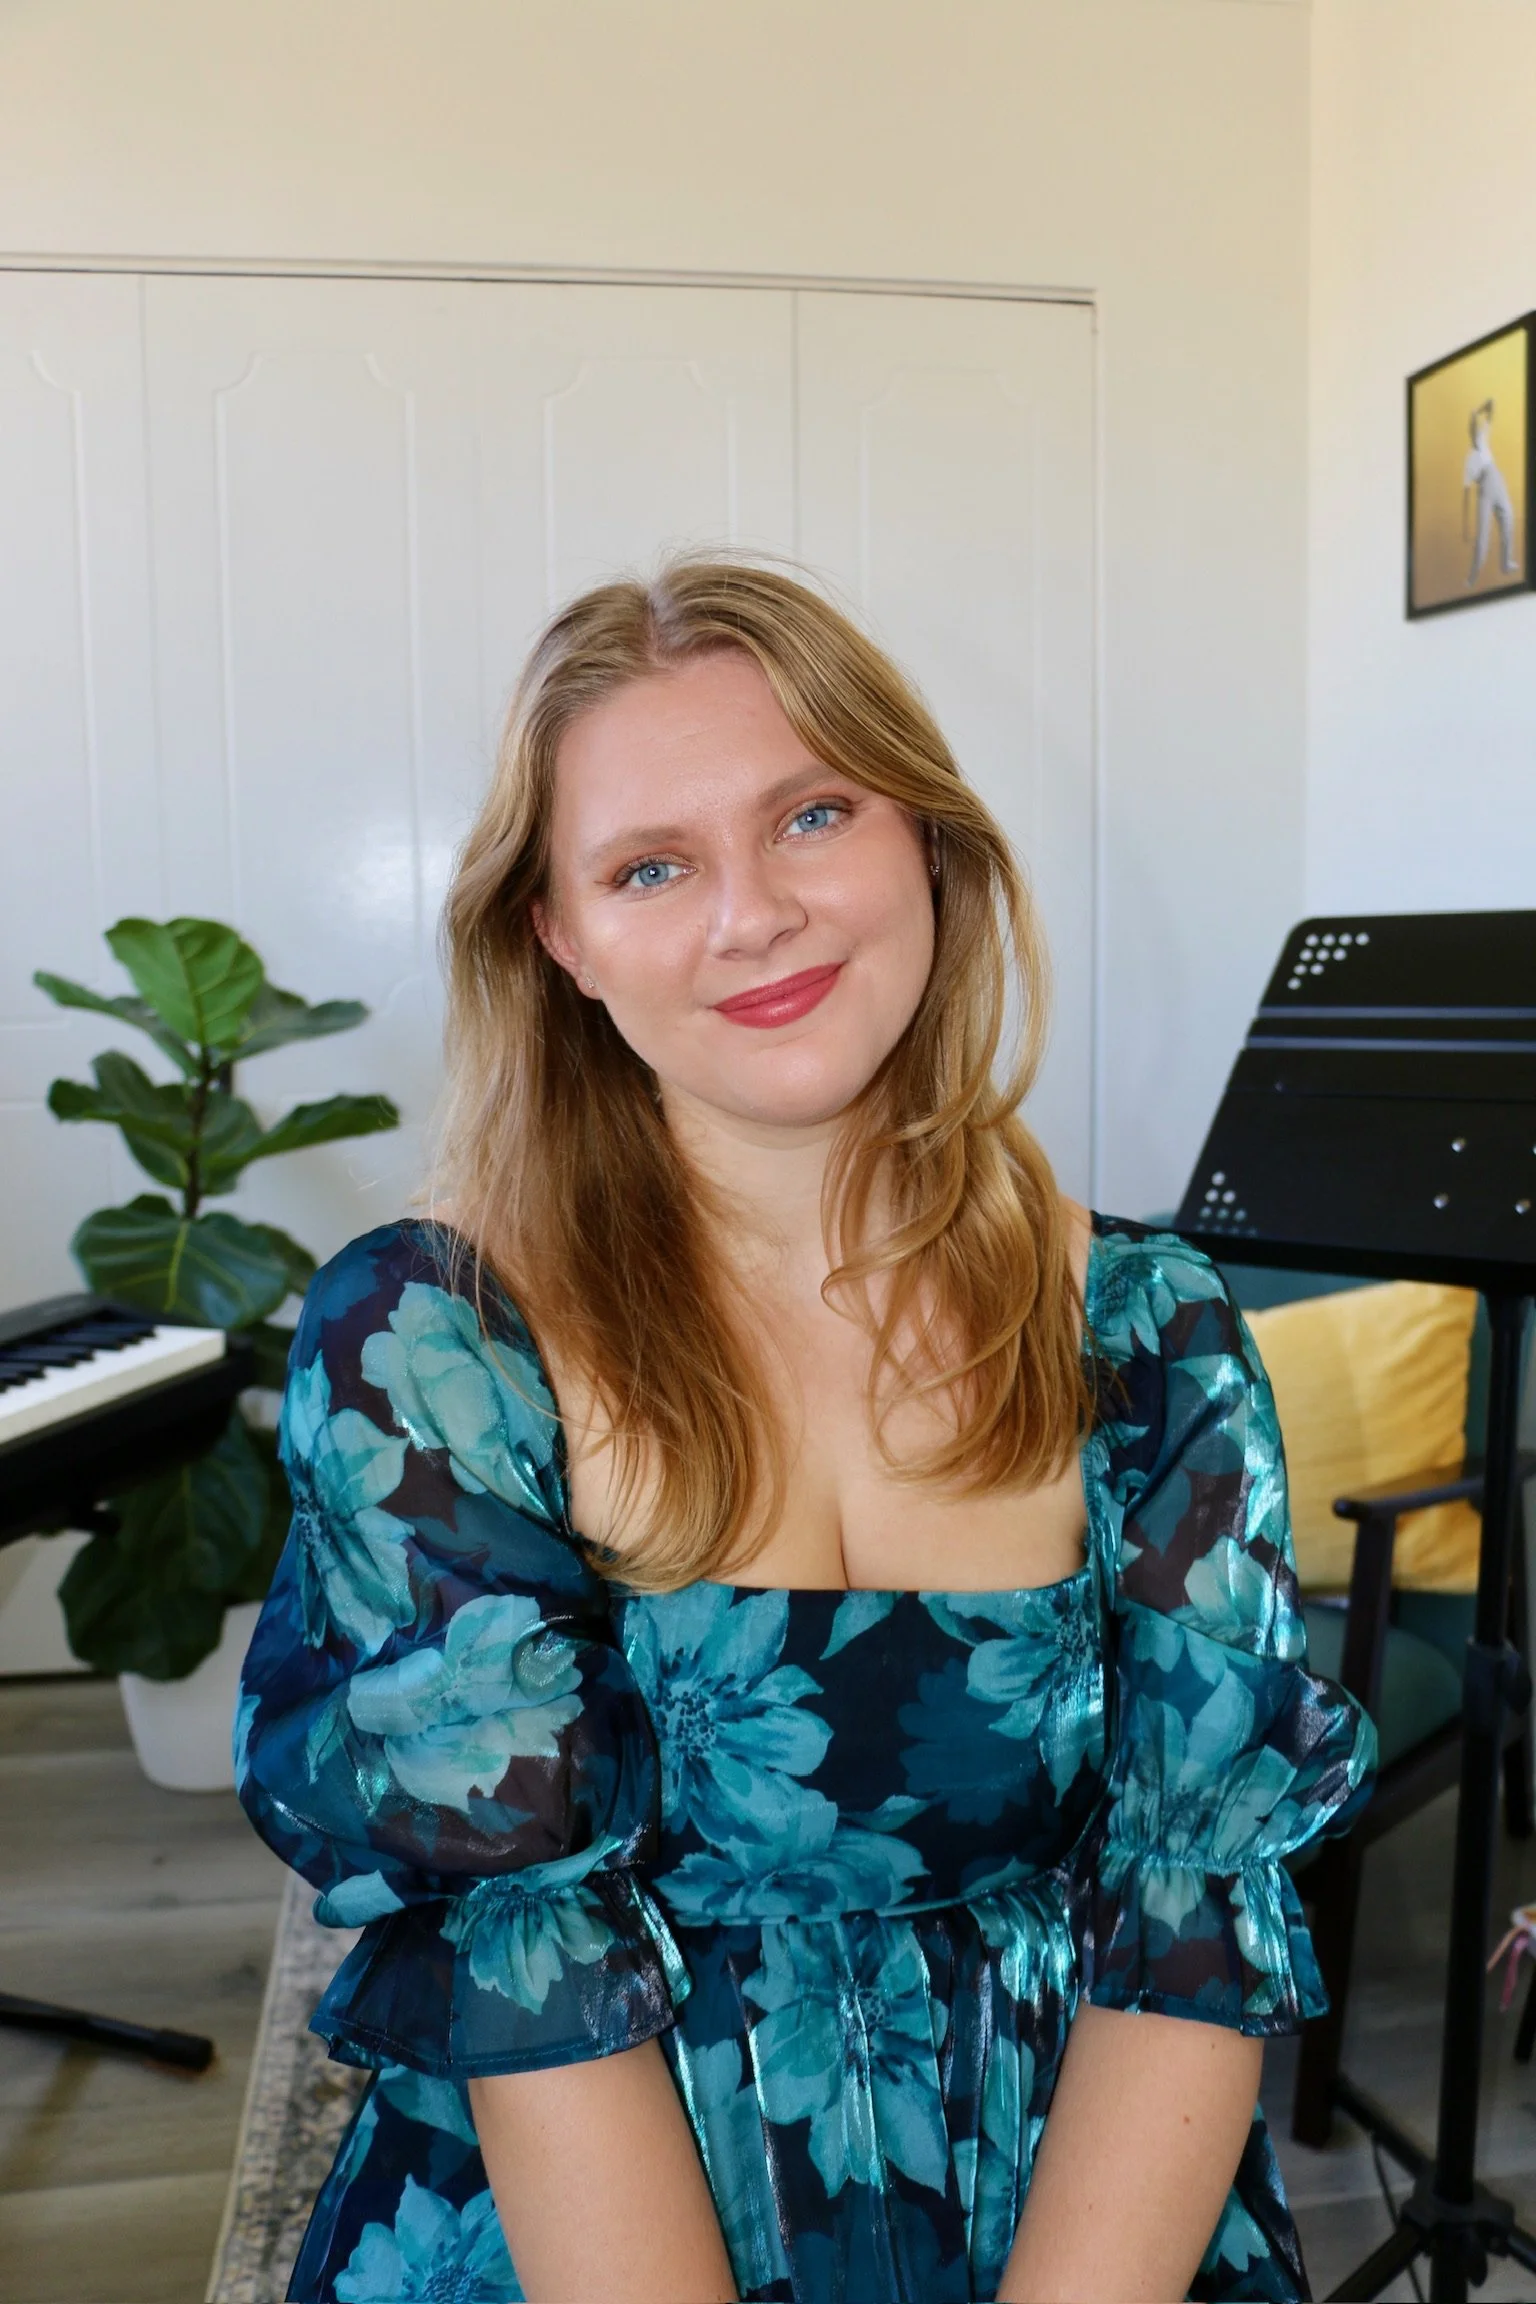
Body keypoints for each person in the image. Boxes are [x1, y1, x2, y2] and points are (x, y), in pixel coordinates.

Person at [235, 558, 1375, 2304]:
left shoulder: (1154, 1327)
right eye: (649, 864)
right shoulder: (434, 1338)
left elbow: (1190, 1925)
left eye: (812, 812)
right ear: (560, 935)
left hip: (1084, 2224)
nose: (751, 913)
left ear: (923, 836)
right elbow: (522, 1963)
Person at [1464, 399, 1520, 586]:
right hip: (1484, 487)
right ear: (1469, 433)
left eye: (1475, 425)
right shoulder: (1469, 459)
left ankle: (1506, 562)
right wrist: (1465, 523)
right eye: (1472, 427)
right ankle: (1473, 575)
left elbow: (1492, 405)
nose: (1475, 429)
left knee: (1509, 518)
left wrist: (1476, 411)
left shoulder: (1483, 438)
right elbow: (1466, 492)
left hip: (1497, 478)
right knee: (1483, 535)